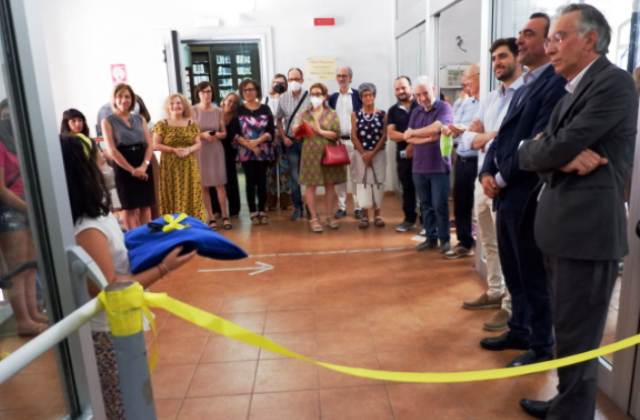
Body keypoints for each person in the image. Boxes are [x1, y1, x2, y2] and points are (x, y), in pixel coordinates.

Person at [517, 5, 637, 419]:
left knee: (579, 339)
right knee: (568, 334)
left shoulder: (614, 84)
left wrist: (549, 152)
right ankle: (566, 403)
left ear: (590, 39)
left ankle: (572, 414)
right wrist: (557, 157)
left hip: (587, 236)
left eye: (560, 37)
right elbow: (539, 146)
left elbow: (548, 146)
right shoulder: (571, 87)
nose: (551, 47)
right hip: (562, 231)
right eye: (550, 38)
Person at [60, 133, 195, 420]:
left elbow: (118, 249)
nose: (105, 160)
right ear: (85, 170)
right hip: (107, 334)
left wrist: (154, 235)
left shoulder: (100, 215)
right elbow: (111, 289)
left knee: (134, 398)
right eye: (99, 157)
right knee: (121, 405)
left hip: (122, 326)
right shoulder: (87, 229)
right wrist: (164, 268)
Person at [478, 12, 566, 368]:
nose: (519, 41)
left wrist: (498, 180)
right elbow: (503, 136)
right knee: (514, 271)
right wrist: (487, 169)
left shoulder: (555, 85)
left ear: (547, 43)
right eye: (519, 34)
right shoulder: (526, 84)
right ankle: (519, 329)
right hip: (507, 195)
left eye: (528, 34)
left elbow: (536, 143)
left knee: (532, 274)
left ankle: (542, 344)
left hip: (527, 193)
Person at [458, 38, 522, 332]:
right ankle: (495, 290)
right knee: (487, 241)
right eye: (494, 58)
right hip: (481, 179)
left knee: (509, 246)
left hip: (504, 182)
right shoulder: (491, 98)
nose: (498, 62)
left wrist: (487, 136)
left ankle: (510, 305)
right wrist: (489, 136)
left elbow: (513, 141)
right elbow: (467, 139)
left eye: (503, 56)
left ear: (517, 58)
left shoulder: (524, 96)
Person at [0, 111, 46, 336]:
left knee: (29, 265)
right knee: (17, 269)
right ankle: (23, 320)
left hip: (26, 209)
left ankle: (33, 312)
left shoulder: (18, 143)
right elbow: (1, 189)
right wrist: (27, 208)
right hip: (9, 213)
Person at [406, 76, 454, 252]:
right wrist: (427, 137)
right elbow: (408, 137)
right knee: (425, 206)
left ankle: (445, 239)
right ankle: (430, 238)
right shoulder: (416, 112)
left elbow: (437, 128)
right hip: (419, 167)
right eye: (418, 95)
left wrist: (416, 133)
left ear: (433, 88)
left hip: (439, 167)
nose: (422, 98)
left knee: (439, 205)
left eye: (425, 93)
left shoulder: (444, 107)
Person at [101, 84, 155, 229]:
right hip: (123, 165)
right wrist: (132, 170)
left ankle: (149, 240)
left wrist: (144, 165)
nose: (124, 100)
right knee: (129, 207)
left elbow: (150, 145)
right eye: (120, 96)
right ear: (114, 99)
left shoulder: (140, 119)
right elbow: (112, 150)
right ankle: (135, 241)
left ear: (132, 99)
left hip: (143, 161)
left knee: (145, 205)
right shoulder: (107, 121)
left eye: (127, 96)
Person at [293, 82, 345, 233]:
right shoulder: (304, 114)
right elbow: (297, 134)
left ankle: (329, 216)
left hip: (328, 153)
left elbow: (336, 134)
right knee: (311, 186)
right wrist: (297, 130)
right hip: (309, 153)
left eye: (318, 94)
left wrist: (320, 131)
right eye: (312, 94)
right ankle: (314, 218)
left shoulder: (332, 113)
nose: (315, 97)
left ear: (324, 96)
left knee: (330, 185)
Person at [443, 65, 481, 259]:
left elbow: (480, 128)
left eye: (468, 79)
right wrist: (451, 130)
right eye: (464, 80)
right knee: (461, 203)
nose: (465, 83)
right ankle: (464, 242)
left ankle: (480, 244)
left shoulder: (487, 102)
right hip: (463, 158)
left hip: (480, 161)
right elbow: (458, 124)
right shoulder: (466, 103)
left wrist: (463, 129)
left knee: (481, 206)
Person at [153, 93, 206, 221]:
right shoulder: (162, 124)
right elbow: (155, 145)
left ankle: (192, 223)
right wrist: (173, 150)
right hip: (169, 166)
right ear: (168, 107)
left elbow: (198, 143)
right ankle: (173, 223)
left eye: (178, 103)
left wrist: (189, 149)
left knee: (191, 193)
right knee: (172, 193)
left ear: (184, 105)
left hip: (188, 165)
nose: (176, 106)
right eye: (172, 103)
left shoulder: (192, 123)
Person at [192, 81, 231, 230]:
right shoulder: (193, 110)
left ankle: (225, 215)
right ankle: (211, 217)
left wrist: (217, 135)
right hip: (200, 149)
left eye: (208, 91)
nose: (206, 95)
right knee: (204, 186)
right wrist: (202, 134)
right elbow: (190, 132)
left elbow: (224, 132)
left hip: (215, 148)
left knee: (220, 183)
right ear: (198, 94)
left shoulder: (218, 110)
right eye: (203, 92)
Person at [236, 79, 275, 225]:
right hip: (246, 152)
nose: (248, 92)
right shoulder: (239, 110)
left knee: (262, 182)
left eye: (251, 89)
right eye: (245, 90)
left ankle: (262, 210)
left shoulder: (265, 109)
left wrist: (258, 142)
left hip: (263, 151)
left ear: (256, 91)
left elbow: (270, 131)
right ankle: (253, 211)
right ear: (242, 92)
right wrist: (251, 146)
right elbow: (235, 133)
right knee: (250, 182)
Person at [351, 83, 387, 229]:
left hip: (378, 153)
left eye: (370, 95)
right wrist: (365, 154)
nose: (368, 98)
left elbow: (384, 136)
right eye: (365, 95)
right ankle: (365, 216)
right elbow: (354, 136)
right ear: (361, 98)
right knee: (363, 183)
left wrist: (372, 153)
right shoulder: (355, 114)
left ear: (374, 96)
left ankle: (378, 214)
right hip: (361, 154)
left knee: (378, 183)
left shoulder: (382, 114)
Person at [329, 66, 363, 219]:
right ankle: (342, 207)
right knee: (340, 177)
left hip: (354, 142)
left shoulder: (358, 96)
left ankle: (358, 207)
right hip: (337, 143)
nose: (341, 78)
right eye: (339, 76)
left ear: (350, 78)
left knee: (357, 176)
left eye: (345, 75)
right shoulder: (332, 98)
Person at [276, 68, 309, 221]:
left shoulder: (310, 97)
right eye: (291, 79)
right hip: (291, 143)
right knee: (295, 177)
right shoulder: (282, 98)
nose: (294, 82)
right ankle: (297, 207)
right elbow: (278, 120)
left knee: (309, 176)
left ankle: (310, 207)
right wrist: (283, 137)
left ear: (302, 80)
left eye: (297, 79)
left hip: (308, 143)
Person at [387, 76, 419, 233]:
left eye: (403, 88)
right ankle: (409, 220)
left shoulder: (420, 104)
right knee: (407, 188)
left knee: (424, 188)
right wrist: (408, 137)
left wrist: (412, 142)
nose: (400, 91)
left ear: (411, 88)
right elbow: (391, 134)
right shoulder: (393, 110)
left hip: (422, 154)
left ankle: (427, 222)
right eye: (397, 89)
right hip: (403, 156)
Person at [211, 92, 242, 218]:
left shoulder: (236, 119)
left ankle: (234, 209)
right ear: (224, 100)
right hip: (213, 151)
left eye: (234, 102)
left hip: (229, 152)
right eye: (229, 100)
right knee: (214, 180)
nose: (231, 104)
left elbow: (237, 135)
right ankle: (216, 210)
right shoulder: (214, 114)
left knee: (231, 180)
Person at [264, 73, 292, 211]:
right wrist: (271, 134)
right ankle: (270, 200)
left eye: (282, 83)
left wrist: (282, 134)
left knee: (285, 170)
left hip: (284, 136)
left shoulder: (289, 99)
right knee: (269, 171)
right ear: (272, 84)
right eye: (276, 82)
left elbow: (290, 119)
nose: (278, 85)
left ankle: (286, 200)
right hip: (269, 138)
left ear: (286, 85)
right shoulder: (265, 99)